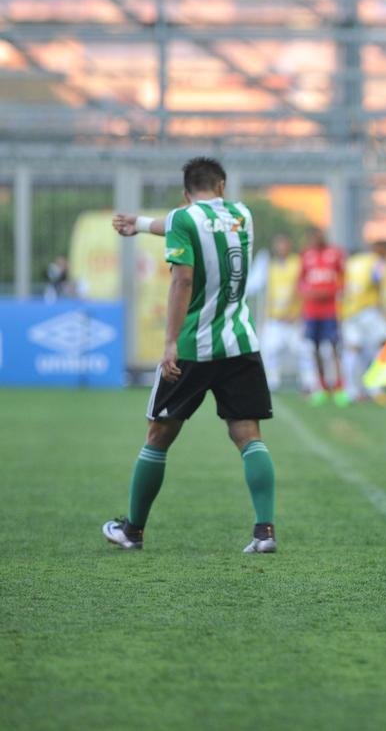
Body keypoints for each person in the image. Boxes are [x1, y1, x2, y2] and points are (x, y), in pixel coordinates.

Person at [102, 157, 279, 553]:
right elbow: (193, 222)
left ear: (185, 193)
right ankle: (264, 531)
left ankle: (133, 531)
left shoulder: (185, 219)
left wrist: (169, 342)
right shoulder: (242, 215)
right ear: (222, 186)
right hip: (239, 343)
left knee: (158, 434)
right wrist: (143, 224)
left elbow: (182, 278)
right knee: (248, 434)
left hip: (193, 347)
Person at [299, 226, 347, 407]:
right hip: (312, 310)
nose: (316, 239)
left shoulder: (335, 254)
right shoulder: (306, 255)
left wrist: (331, 291)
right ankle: (322, 386)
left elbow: (343, 278)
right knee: (315, 348)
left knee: (334, 346)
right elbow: (301, 281)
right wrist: (308, 292)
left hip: (330, 309)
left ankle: (339, 387)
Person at [256, 233, 311, 392]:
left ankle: (309, 382)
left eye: (284, 244)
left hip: (294, 319)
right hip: (275, 318)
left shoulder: (298, 264)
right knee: (269, 351)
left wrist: (298, 312)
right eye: (278, 245)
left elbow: (302, 289)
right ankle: (272, 382)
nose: (281, 248)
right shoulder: (270, 266)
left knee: (303, 350)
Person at [341, 239, 386, 403]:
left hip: (349, 312)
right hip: (367, 311)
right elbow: (377, 282)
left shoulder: (351, 262)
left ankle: (351, 390)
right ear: (380, 248)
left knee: (353, 350)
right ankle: (375, 389)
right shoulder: (377, 263)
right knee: (383, 345)